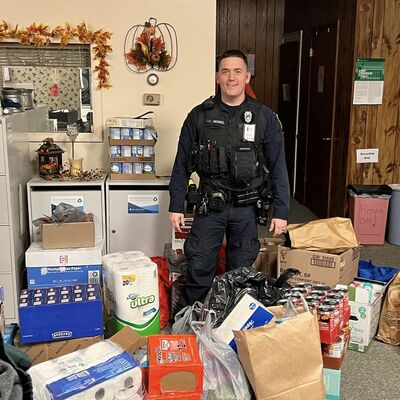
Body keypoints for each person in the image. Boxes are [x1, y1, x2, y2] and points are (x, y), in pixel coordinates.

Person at [169, 49, 290, 308]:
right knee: (200, 265)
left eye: (237, 71)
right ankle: (188, 323)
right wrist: (176, 203)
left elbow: (279, 166)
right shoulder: (199, 115)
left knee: (241, 271)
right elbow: (181, 163)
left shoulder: (264, 117)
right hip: (210, 205)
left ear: (247, 76)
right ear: (217, 77)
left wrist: (281, 210)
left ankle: (231, 325)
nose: (231, 77)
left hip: (247, 207)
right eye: (225, 71)